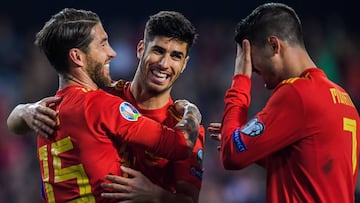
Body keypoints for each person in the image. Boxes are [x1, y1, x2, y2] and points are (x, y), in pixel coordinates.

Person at [7, 8, 202, 203]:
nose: (164, 63)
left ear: (184, 64)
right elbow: (181, 144)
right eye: (158, 51)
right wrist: (24, 110)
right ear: (141, 49)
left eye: (176, 56)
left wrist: (156, 196)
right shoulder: (105, 99)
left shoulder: (54, 107)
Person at [209, 2, 360, 202]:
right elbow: (308, 165)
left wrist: (240, 80)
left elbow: (231, 155)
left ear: (274, 46)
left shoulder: (296, 93)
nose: (257, 77)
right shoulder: (344, 100)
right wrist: (250, 142)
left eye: (254, 66)